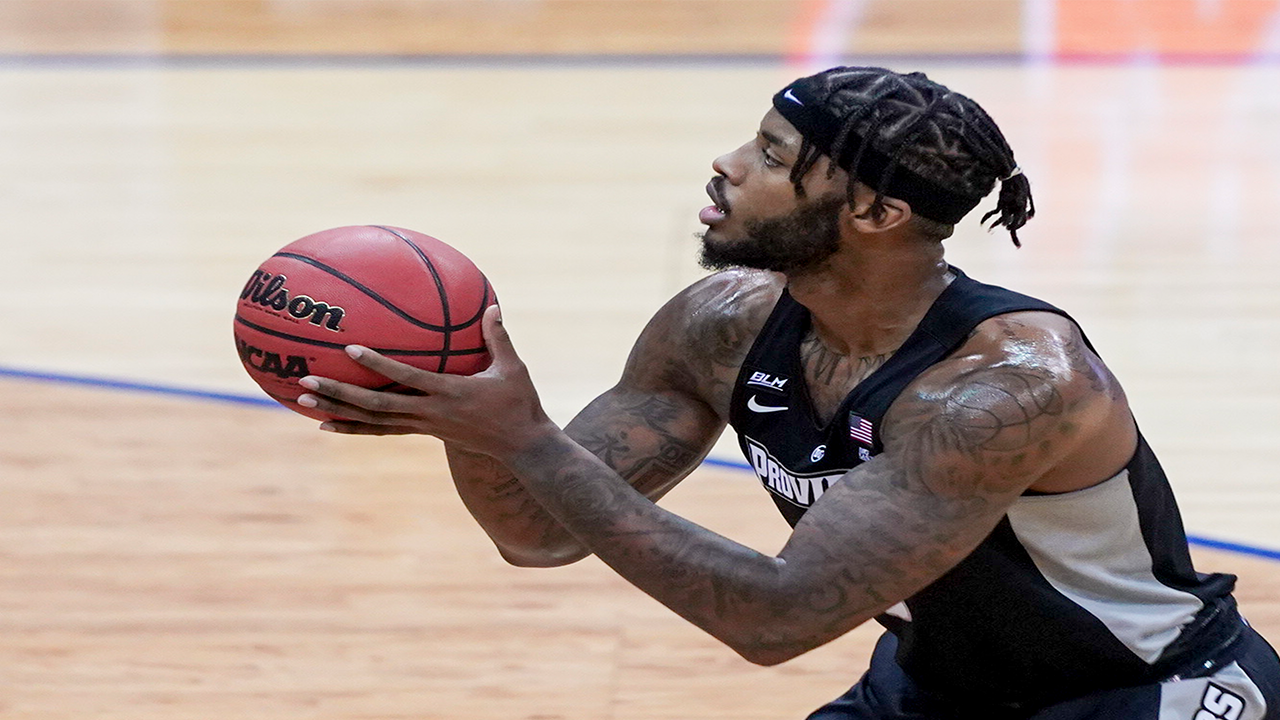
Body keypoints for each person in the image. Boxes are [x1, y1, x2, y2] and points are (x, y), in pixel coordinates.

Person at [293, 66, 1280, 719]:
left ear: (876, 213)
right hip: (936, 690)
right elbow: (537, 532)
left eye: (771, 155)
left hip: (1140, 691)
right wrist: (465, 408)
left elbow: (775, 619)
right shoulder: (721, 326)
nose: (726, 165)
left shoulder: (1007, 388)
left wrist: (528, 438)